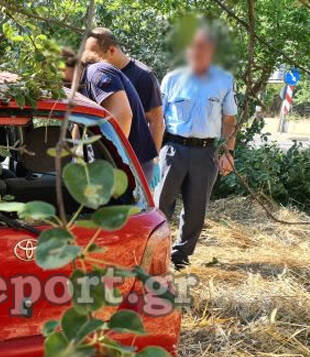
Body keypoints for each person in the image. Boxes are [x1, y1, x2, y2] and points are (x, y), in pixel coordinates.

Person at [157, 27, 237, 270]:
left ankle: (180, 256)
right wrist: (152, 151)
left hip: (206, 153)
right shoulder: (172, 78)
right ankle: (154, 252)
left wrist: (228, 153)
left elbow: (229, 120)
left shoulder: (224, 79)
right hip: (173, 149)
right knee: (160, 204)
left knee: (196, 208)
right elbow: (158, 118)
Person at [82, 27, 164, 181]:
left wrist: (154, 161)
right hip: (107, 159)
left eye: (96, 58)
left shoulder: (143, 76)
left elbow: (156, 121)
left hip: (136, 158)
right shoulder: (96, 75)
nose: (92, 64)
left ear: (112, 50)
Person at [62, 47, 158, 177]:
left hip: (130, 167)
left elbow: (123, 117)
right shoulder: (82, 85)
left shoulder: (96, 74)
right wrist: (76, 157)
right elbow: (79, 126)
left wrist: (114, 161)